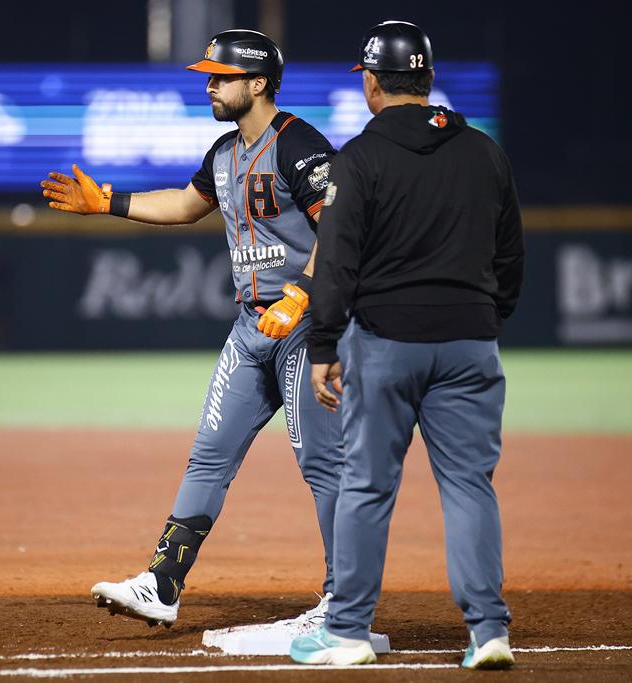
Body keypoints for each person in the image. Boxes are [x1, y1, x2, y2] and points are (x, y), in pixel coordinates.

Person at [41, 30, 387, 651]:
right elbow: (183, 204)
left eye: (221, 76)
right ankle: (162, 584)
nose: (210, 85)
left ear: (257, 83)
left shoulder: (299, 144)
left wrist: (303, 296)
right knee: (209, 454)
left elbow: (340, 225)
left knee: (321, 462)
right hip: (252, 327)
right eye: (209, 75)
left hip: (308, 324)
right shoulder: (226, 151)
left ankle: (344, 600)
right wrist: (109, 203)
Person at [288, 21, 525, 669]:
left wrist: (325, 344)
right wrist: (485, 318)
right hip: (471, 342)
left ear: (370, 83)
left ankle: (348, 632)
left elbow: (335, 264)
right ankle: (488, 628)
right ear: (427, 79)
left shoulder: (359, 159)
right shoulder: (484, 152)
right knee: (470, 486)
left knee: (366, 485)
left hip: (387, 343)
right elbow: (511, 258)